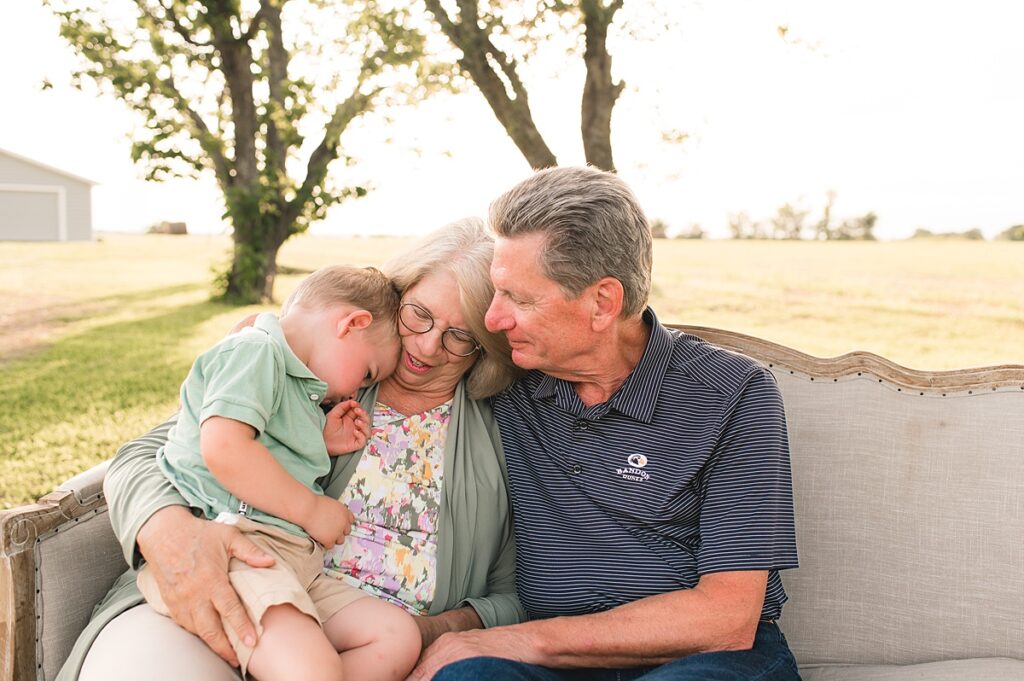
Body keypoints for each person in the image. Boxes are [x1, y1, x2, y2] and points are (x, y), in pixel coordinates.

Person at [58, 217, 525, 681]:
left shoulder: (506, 432)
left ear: (484, 346)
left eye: (460, 336)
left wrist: (435, 632)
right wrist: (170, 534)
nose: (427, 344)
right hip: (228, 581)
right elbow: (147, 454)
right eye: (418, 314)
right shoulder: (316, 369)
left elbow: (517, 591)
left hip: (364, 639)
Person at [412, 166, 801, 680]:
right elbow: (369, 339)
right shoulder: (504, 380)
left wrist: (520, 638)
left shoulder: (732, 392)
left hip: (704, 662)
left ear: (602, 302)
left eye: (521, 300)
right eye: (497, 292)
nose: (494, 321)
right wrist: (273, 344)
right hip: (556, 663)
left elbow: (727, 617)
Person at [134, 264, 421, 681]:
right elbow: (225, 449)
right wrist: (311, 509)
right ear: (352, 324)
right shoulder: (255, 350)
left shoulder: (297, 384)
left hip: (288, 561)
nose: (355, 392)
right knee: (314, 670)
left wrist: (318, 440)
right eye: (366, 374)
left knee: (396, 636)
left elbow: (263, 442)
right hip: (234, 548)